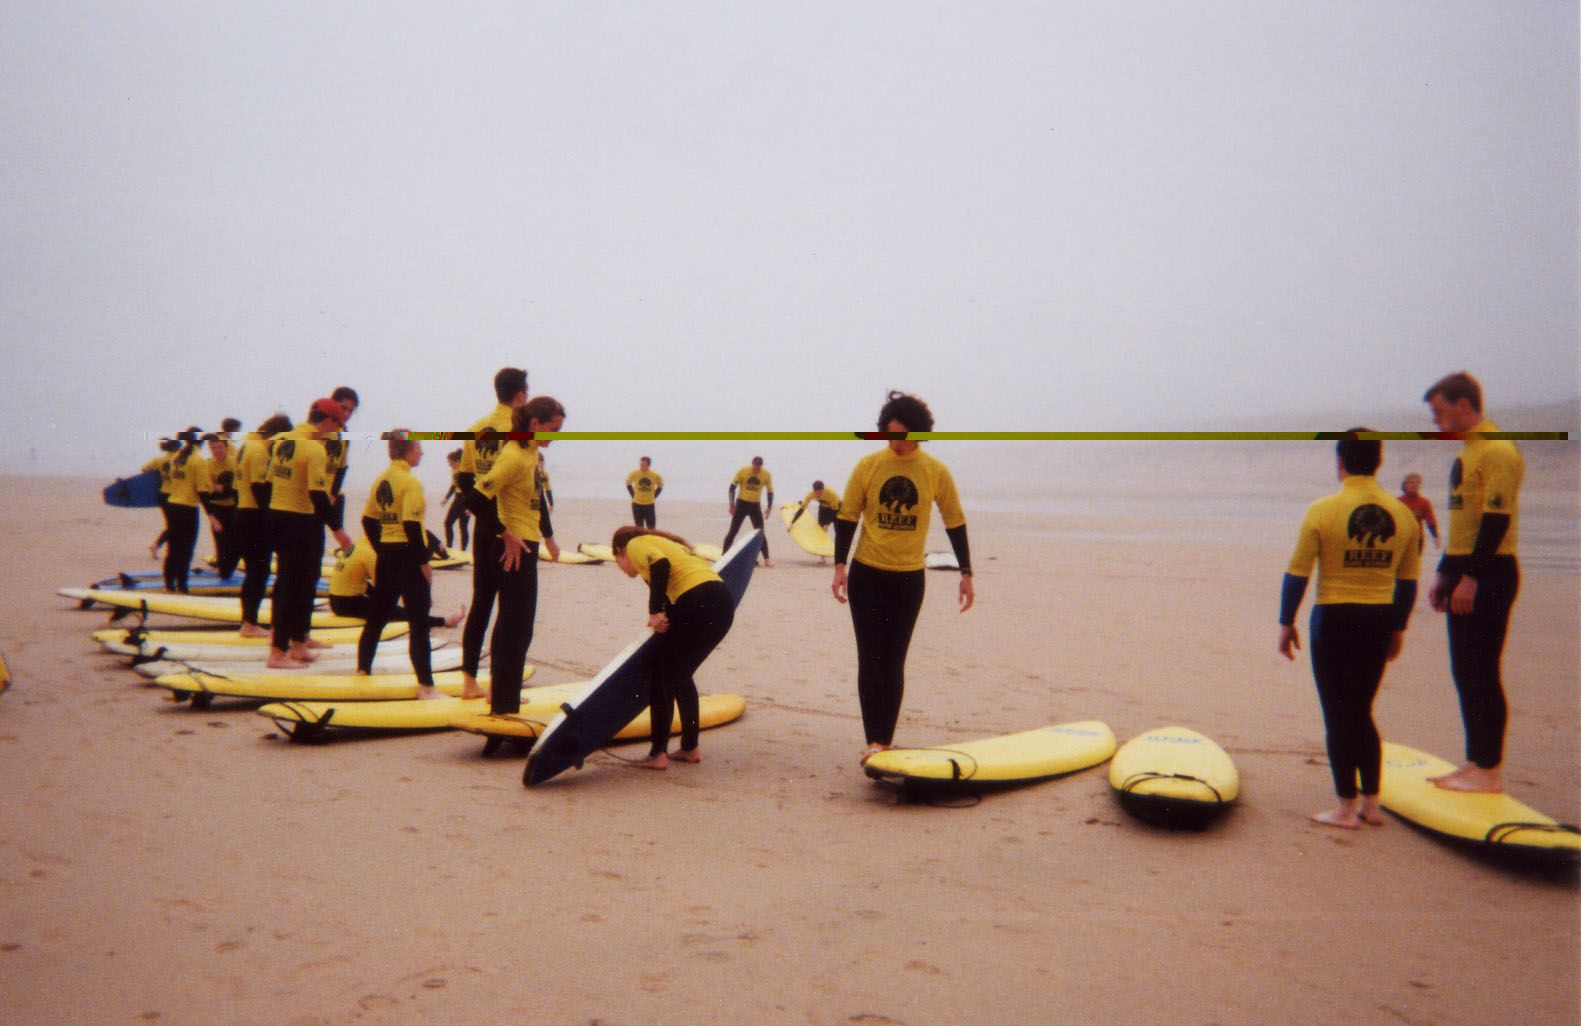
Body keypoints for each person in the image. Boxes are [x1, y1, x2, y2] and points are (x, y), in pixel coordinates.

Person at [1278, 432, 1421, 830]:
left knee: (1339, 715)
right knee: (1361, 710)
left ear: (1340, 462)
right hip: (1379, 618)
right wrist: (1398, 627)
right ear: (1378, 463)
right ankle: (1371, 805)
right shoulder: (1403, 514)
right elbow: (1408, 581)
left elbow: (1298, 571)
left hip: (1334, 620)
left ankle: (1345, 808)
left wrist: (1286, 621)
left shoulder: (1323, 510)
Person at [831, 392, 974, 764]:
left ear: (919, 433)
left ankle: (884, 741)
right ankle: (873, 743)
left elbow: (955, 520)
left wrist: (966, 572)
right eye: (890, 436)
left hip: (908, 580)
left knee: (894, 662)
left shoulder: (934, 471)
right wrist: (839, 566)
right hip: (867, 574)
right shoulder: (868, 465)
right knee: (870, 659)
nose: (896, 444)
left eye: (903, 436)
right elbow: (847, 516)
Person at [1422, 371, 1524, 793]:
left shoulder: (1498, 450)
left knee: (1481, 670)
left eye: (1440, 412)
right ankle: (1474, 761)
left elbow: (1495, 521)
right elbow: (1463, 523)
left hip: (1491, 573)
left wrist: (1471, 578)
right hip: (1467, 570)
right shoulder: (1467, 453)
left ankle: (1489, 771)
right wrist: (1445, 572)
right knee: (1465, 670)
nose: (1436, 422)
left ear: (1464, 405)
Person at [466, 396, 564, 713]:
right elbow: (476, 500)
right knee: (515, 626)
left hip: (525, 542)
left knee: (516, 625)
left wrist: (547, 537)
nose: (556, 435)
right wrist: (504, 533)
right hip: (515, 547)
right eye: (553, 428)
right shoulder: (514, 455)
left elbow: (533, 500)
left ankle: (499, 695)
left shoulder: (528, 451)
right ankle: (504, 705)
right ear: (534, 424)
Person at [611, 526, 736, 770]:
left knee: (661, 675)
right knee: (680, 674)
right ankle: (690, 747)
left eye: (617, 561)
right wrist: (661, 610)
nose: (621, 567)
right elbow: (669, 580)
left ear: (619, 551)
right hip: (722, 602)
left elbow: (660, 566)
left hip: (698, 600)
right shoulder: (665, 544)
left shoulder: (635, 544)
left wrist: (655, 610)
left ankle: (658, 754)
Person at [457, 367, 529, 702]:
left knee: (480, 605)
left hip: (482, 528)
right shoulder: (515, 430)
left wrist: (480, 514)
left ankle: (470, 683)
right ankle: (498, 690)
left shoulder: (475, 427)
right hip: (508, 530)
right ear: (520, 396)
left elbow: (464, 481)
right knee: (509, 610)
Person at [355, 431, 444, 697]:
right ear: (407, 451)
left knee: (377, 618)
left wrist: (382, 549)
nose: (422, 453)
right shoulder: (411, 482)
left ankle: (362, 671)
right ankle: (426, 687)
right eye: (419, 449)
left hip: (387, 557)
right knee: (419, 624)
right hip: (407, 555)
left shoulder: (380, 479)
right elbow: (411, 525)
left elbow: (368, 521)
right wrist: (424, 562)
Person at [265, 399, 351, 668]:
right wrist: (339, 532)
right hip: (298, 521)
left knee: (300, 583)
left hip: (278, 516)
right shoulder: (314, 449)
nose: (337, 431)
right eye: (337, 425)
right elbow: (318, 495)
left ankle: (299, 645)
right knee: (292, 586)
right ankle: (278, 653)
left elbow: (269, 481)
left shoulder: (283, 441)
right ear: (327, 421)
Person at [235, 413, 292, 638]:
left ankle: (248, 621)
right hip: (253, 516)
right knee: (258, 572)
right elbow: (260, 489)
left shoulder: (247, 445)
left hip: (242, 512)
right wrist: (273, 520)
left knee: (254, 572)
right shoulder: (259, 450)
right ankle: (249, 623)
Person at [329, 535, 463, 627]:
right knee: (395, 611)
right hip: (346, 603)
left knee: (376, 592)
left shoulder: (359, 543)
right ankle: (445, 621)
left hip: (335, 598)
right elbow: (385, 587)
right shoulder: (369, 554)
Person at [160, 428, 217, 593]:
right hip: (187, 509)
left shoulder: (177, 458)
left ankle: (169, 583)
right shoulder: (198, 461)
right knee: (186, 549)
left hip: (172, 505)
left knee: (173, 547)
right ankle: (182, 585)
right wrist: (212, 516)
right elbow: (203, 492)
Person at [722, 456, 773, 566]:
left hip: (755, 506)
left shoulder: (766, 474)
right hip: (742, 505)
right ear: (752, 464)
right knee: (733, 531)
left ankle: (767, 559)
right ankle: (723, 556)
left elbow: (770, 491)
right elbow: (732, 488)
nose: (756, 469)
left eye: (759, 467)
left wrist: (769, 507)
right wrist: (732, 505)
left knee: (760, 532)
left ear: (761, 466)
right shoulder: (743, 471)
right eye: (755, 466)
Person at [203, 433, 240, 577]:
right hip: (216, 509)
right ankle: (223, 574)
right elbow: (206, 493)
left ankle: (227, 572)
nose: (217, 450)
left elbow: (238, 488)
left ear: (226, 447)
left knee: (236, 544)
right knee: (221, 544)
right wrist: (212, 517)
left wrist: (223, 488)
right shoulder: (208, 465)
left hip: (233, 508)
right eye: (213, 448)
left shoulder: (234, 463)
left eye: (219, 447)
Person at [1396, 473, 1440, 551]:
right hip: (1401, 539)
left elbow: (1431, 522)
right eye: (1412, 483)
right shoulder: (1398, 502)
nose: (1415, 485)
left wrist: (1435, 537)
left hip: (1417, 540)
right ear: (1405, 485)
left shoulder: (1424, 502)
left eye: (1417, 483)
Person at [442, 449, 471, 552]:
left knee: (449, 523)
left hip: (464, 499)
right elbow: (454, 485)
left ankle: (455, 550)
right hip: (458, 497)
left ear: (458, 461)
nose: (450, 465)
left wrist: (470, 507)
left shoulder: (465, 470)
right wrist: (446, 498)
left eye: (451, 463)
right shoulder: (454, 470)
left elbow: (472, 488)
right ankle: (453, 549)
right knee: (460, 526)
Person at [626, 457, 663, 527]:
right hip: (637, 505)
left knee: (651, 528)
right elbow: (628, 483)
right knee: (639, 528)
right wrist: (633, 495)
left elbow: (660, 486)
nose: (641, 467)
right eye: (640, 465)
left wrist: (654, 496)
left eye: (643, 465)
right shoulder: (634, 473)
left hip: (649, 505)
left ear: (648, 465)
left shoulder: (654, 475)